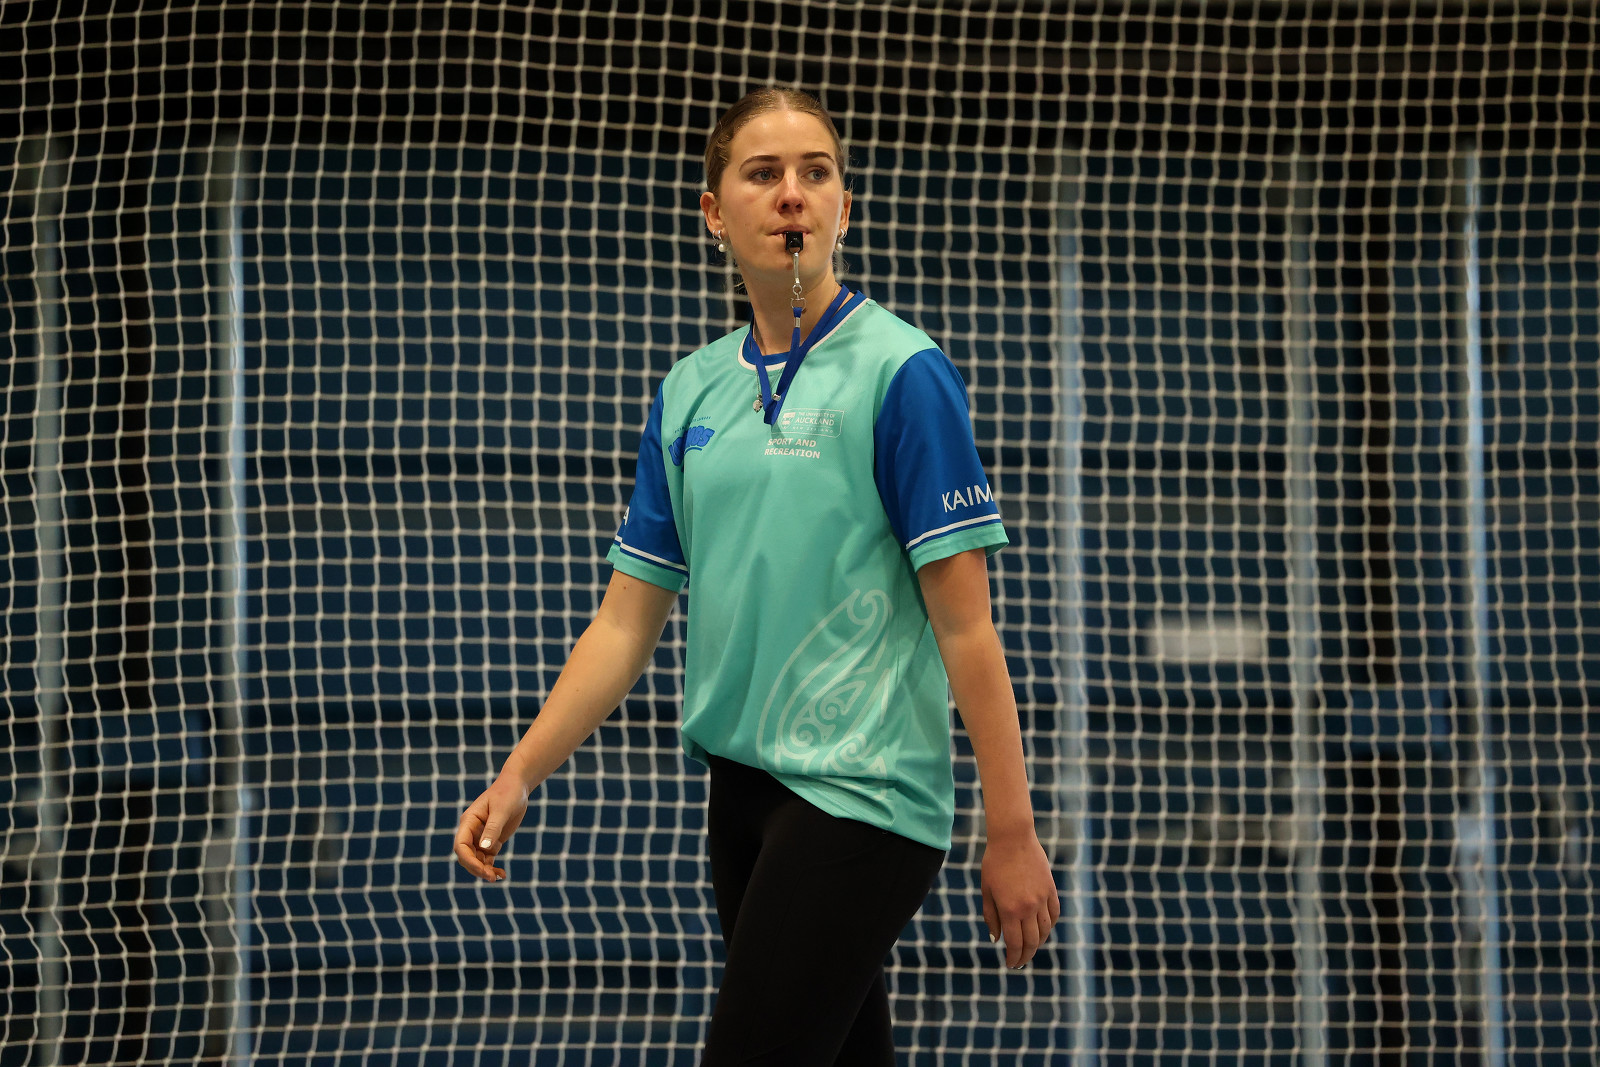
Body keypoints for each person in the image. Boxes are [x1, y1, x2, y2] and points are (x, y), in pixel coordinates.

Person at [455, 86, 1060, 1065]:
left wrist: (1013, 830)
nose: (791, 193)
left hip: (862, 794)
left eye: (816, 173)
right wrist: (520, 770)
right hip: (740, 796)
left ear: (843, 206)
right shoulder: (690, 390)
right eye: (763, 172)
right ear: (714, 211)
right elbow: (624, 623)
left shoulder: (903, 373)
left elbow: (966, 627)